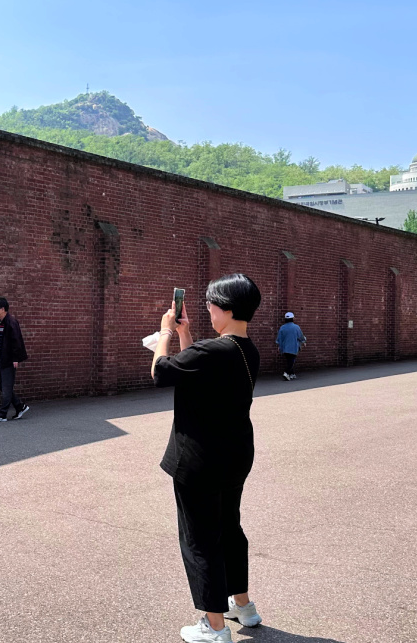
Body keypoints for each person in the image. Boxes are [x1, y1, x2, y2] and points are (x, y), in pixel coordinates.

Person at [149, 274, 264, 643]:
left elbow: (161, 372)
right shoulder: (245, 350)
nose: (209, 309)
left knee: (200, 539)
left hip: (199, 459)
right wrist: (186, 336)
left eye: (212, 304)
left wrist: (166, 331)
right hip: (233, 456)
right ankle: (242, 607)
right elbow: (197, 368)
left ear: (227, 309)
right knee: (230, 530)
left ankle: (214, 627)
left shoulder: (214, 353)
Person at [0, 297, 29, 423]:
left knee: (6, 387)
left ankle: (2, 414)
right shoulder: (1, 323)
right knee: (2, 385)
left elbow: (16, 341)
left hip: (9, 359)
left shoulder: (11, 322)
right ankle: (19, 406)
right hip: (1, 358)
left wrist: (15, 358)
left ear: (2, 309)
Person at [276, 312, 306, 381]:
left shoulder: (282, 328)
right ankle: (286, 373)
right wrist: (304, 341)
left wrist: (279, 346)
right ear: (292, 318)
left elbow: (279, 338)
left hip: (285, 347)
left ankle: (292, 374)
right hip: (293, 347)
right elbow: (300, 336)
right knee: (291, 361)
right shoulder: (296, 327)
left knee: (288, 360)